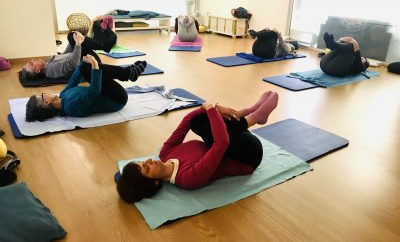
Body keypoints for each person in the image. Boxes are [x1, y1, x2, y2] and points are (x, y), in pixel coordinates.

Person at [116, 91, 279, 203]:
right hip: (247, 155)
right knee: (210, 130)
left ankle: (246, 112)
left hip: (234, 139)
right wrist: (212, 109)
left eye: (143, 162)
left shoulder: (165, 154)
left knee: (196, 121)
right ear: (154, 184)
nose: (149, 161)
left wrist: (207, 108)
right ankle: (256, 116)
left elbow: (186, 121)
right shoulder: (188, 178)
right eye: (146, 168)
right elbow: (222, 144)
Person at [25, 54, 147, 121]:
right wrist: (94, 64)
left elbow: (74, 80)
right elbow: (94, 90)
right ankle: (127, 73)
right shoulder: (71, 107)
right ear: (46, 102)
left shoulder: (62, 96)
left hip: (106, 93)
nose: (44, 93)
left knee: (85, 68)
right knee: (90, 69)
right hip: (117, 99)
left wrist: (84, 63)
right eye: (42, 96)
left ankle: (128, 73)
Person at [20, 16, 117, 80]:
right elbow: (72, 63)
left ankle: (103, 28)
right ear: (37, 70)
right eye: (32, 63)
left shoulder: (47, 63)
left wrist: (73, 41)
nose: (33, 60)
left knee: (73, 35)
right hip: (89, 61)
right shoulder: (51, 70)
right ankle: (105, 43)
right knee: (72, 36)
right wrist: (78, 43)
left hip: (83, 56)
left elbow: (66, 55)